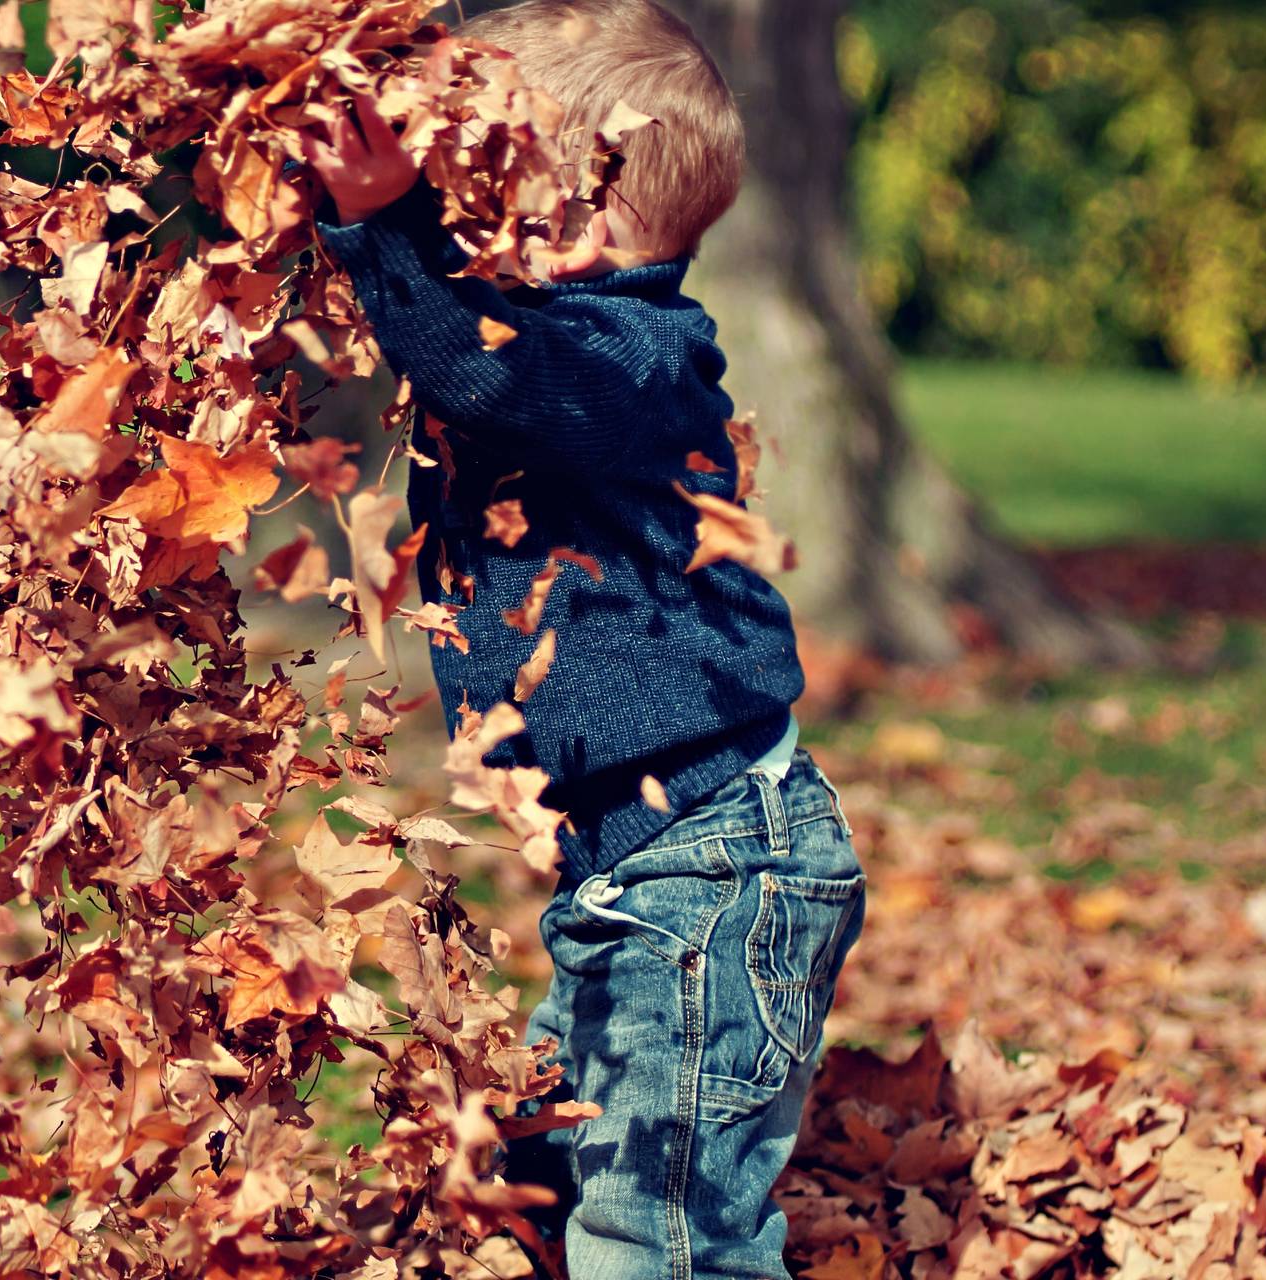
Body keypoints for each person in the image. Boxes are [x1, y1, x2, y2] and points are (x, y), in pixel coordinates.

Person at [300, 1, 866, 1274]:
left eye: (476, 185)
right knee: (536, 1177)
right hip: (638, 879)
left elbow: (490, 369)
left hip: (712, 880)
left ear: (578, 220)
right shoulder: (567, 344)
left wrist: (378, 228)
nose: (446, 215)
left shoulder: (626, 358)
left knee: (662, 1240)